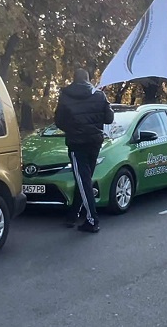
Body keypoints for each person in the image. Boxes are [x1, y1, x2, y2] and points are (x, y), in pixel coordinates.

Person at [54, 68, 114, 233]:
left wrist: (72, 129)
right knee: (84, 180)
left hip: (76, 144)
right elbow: (109, 118)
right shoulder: (99, 95)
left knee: (83, 181)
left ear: (74, 79)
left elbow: (58, 120)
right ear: (88, 79)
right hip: (94, 143)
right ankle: (73, 215)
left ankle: (92, 220)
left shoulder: (65, 96)